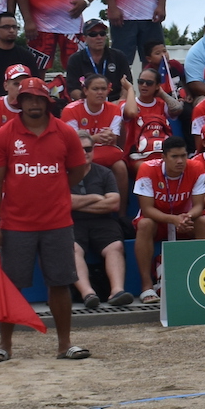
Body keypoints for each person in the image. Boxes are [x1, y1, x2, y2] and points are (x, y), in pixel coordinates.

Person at [0, 77, 87, 362]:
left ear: (47, 102)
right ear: (20, 102)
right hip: (16, 224)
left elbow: (78, 169)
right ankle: (4, 345)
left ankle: (65, 345)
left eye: (39, 98)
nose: (34, 104)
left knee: (60, 283)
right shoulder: (3, 136)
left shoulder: (65, 132)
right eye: (28, 99)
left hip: (57, 222)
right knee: (10, 286)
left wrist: (57, 186)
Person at [133, 137, 205, 299]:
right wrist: (173, 219)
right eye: (174, 157)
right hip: (158, 221)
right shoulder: (147, 168)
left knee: (201, 222)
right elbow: (147, 209)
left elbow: (199, 206)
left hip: (183, 220)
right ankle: (147, 286)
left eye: (183, 156)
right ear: (163, 158)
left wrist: (187, 217)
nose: (180, 161)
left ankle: (203, 279)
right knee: (144, 224)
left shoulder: (197, 167)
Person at [67, 132, 132, 308]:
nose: (84, 153)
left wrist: (75, 202)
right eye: (79, 149)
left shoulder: (104, 173)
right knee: (73, 249)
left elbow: (114, 204)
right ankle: (88, 293)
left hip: (103, 222)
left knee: (115, 247)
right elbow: (62, 203)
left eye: (88, 149)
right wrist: (96, 197)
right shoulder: (63, 173)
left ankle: (117, 291)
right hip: (72, 222)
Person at [60, 72, 130, 196]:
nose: (100, 92)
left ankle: (121, 212)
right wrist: (95, 138)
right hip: (79, 153)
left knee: (120, 166)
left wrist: (110, 136)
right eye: (95, 89)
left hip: (103, 151)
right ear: (85, 91)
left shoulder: (114, 109)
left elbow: (112, 141)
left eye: (103, 89)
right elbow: (72, 142)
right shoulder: (70, 110)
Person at [122, 65, 180, 166]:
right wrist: (130, 89)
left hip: (163, 154)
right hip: (138, 155)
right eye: (141, 82)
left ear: (157, 85)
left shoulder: (162, 104)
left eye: (149, 83)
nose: (144, 85)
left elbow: (178, 109)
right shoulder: (129, 104)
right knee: (148, 169)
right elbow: (131, 113)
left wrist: (161, 93)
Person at [65, 20, 132, 101]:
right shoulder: (75, 59)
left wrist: (119, 103)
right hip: (86, 103)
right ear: (84, 38)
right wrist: (91, 103)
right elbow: (73, 89)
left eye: (102, 33)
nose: (99, 37)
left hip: (115, 102)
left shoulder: (118, 56)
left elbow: (127, 85)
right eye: (93, 34)